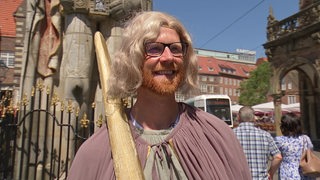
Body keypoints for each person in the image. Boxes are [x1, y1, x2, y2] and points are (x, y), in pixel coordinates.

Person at [68, 11, 251, 179]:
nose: (168, 57)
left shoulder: (217, 136)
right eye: (154, 48)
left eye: (175, 48)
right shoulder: (95, 152)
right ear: (133, 58)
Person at [233, 106, 282, 180]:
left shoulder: (231, 135)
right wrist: (270, 173)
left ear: (238, 117)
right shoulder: (265, 135)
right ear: (253, 118)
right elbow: (278, 157)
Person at [275, 112, 314, 180]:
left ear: (284, 126)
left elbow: (276, 156)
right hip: (305, 172)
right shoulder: (305, 138)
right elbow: (310, 152)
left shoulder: (279, 140)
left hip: (287, 173)